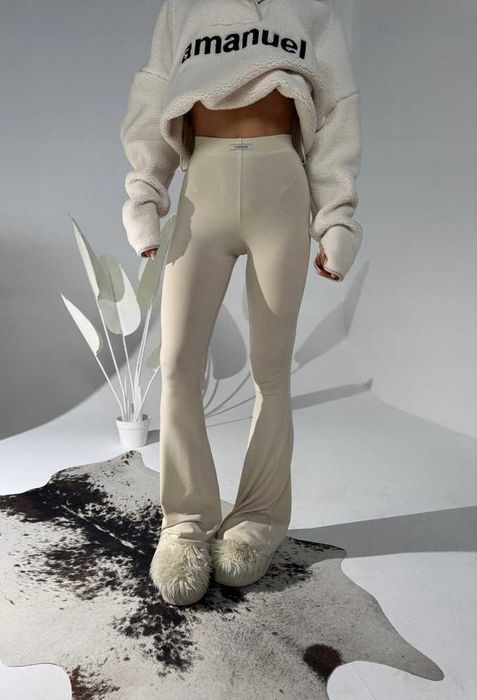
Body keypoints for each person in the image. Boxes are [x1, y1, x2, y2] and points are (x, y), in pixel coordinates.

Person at [120, 0, 363, 605]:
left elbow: (336, 106)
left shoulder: (310, 10)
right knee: (177, 363)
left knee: (270, 370)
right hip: (201, 186)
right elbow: (155, 91)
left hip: (281, 186)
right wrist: (146, 194)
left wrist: (335, 217)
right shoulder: (185, 8)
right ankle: (184, 522)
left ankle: (259, 518)